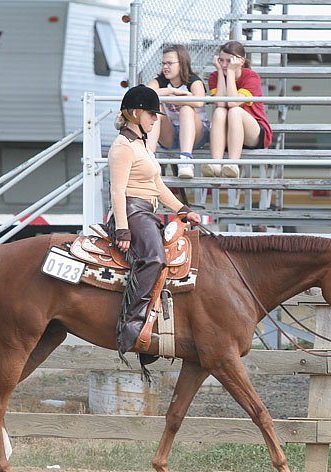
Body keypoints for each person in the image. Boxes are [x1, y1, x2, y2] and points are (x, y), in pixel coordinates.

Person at [108, 84, 202, 360]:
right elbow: (117, 190)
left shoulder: (141, 145)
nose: (155, 118)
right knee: (154, 258)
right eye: (151, 113)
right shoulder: (123, 147)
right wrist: (123, 229)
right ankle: (132, 326)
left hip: (148, 212)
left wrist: (183, 209)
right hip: (133, 211)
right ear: (135, 113)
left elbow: (157, 185)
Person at [202, 40, 272, 179]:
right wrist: (221, 74)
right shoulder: (214, 76)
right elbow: (221, 103)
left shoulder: (251, 76)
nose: (223, 65)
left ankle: (233, 164)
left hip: (254, 134)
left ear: (241, 61)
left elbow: (233, 102)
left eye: (228, 61)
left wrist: (231, 72)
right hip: (229, 135)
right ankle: (216, 164)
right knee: (219, 111)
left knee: (235, 111)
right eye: (221, 60)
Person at [147, 44, 210, 179]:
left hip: (196, 135)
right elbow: (145, 94)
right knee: (155, 109)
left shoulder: (193, 81)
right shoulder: (160, 81)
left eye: (169, 63)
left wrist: (169, 98)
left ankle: (185, 160)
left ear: (182, 63)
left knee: (186, 109)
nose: (165, 67)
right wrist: (171, 91)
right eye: (163, 63)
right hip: (170, 134)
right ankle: (149, 157)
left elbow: (199, 102)